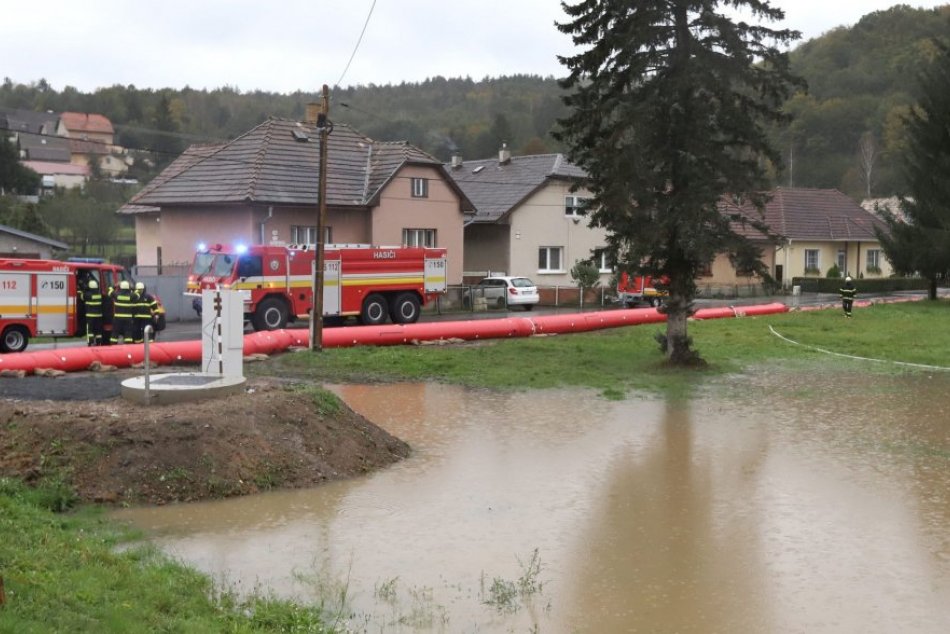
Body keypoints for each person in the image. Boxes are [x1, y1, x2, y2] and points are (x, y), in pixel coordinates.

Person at [110, 280, 136, 344]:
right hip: (128, 318)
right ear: (128, 287)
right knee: (128, 333)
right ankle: (128, 347)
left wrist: (114, 286)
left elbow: (109, 291)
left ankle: (113, 347)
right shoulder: (132, 295)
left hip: (117, 318)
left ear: (120, 287)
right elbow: (138, 294)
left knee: (115, 332)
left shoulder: (116, 295)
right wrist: (132, 288)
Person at [82, 279, 104, 346]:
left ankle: (90, 342)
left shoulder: (88, 295)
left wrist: (84, 289)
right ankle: (98, 342)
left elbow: (82, 297)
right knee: (98, 330)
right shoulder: (99, 294)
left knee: (90, 330)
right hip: (99, 316)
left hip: (90, 316)